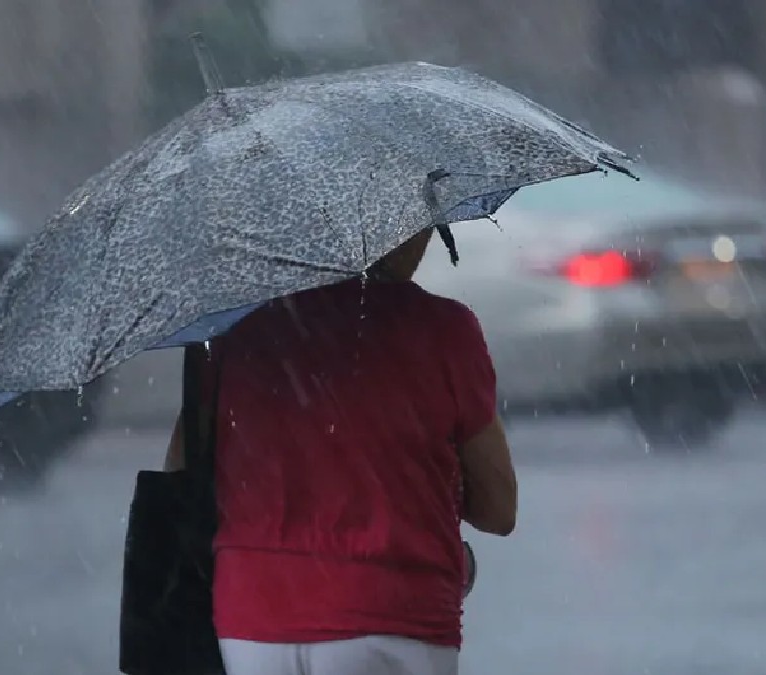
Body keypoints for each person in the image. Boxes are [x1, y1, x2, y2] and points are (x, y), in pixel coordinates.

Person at [164, 227, 518, 675]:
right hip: (392, 616)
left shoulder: (234, 326)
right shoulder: (444, 328)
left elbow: (180, 476)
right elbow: (499, 509)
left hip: (251, 621)